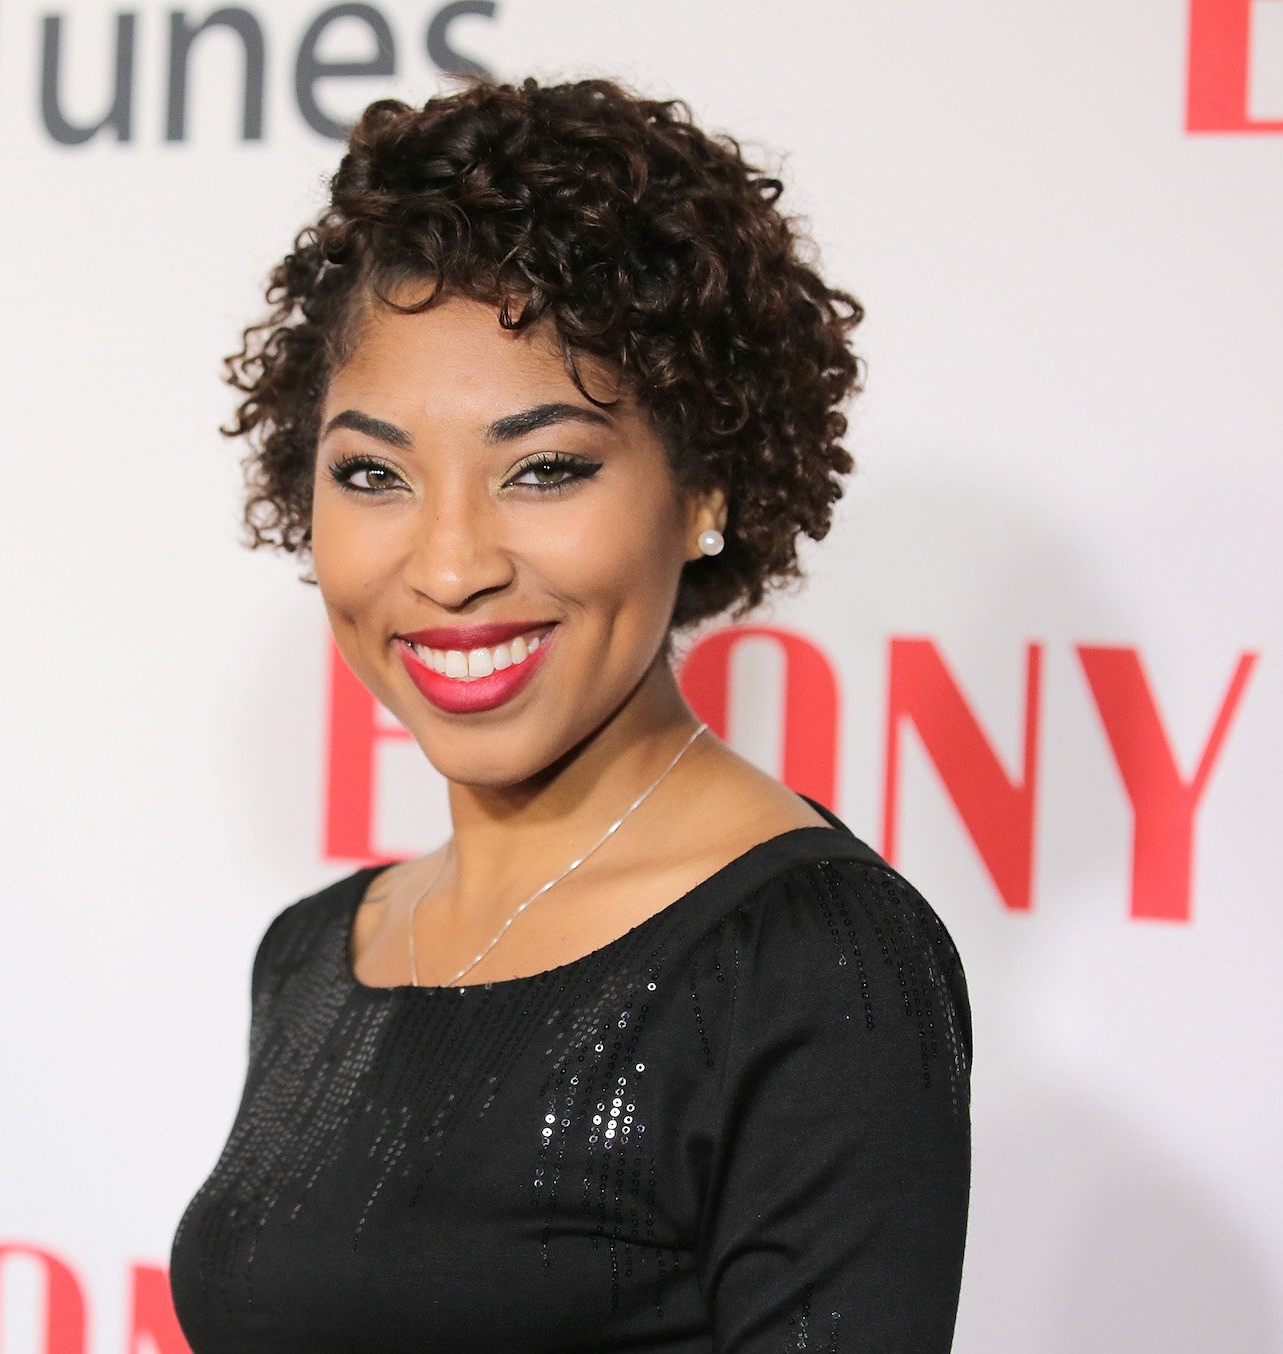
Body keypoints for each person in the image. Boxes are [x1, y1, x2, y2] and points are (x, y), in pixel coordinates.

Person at [167, 74, 972, 1353]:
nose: (445, 565)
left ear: (703, 485)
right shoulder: (317, 953)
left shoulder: (810, 963)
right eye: (372, 473)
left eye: (542, 468)